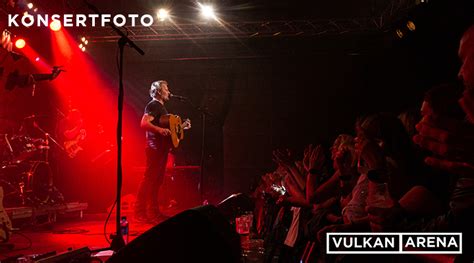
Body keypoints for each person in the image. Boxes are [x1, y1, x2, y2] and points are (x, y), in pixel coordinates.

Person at [134, 80, 174, 222]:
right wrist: (159, 130)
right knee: (150, 179)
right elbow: (144, 123)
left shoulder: (161, 107)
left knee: (156, 181)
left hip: (161, 149)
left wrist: (181, 127)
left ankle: (154, 212)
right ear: (158, 91)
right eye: (166, 88)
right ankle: (139, 212)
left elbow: (165, 128)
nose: (168, 91)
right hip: (154, 148)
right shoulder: (153, 105)